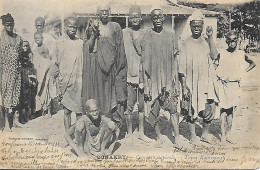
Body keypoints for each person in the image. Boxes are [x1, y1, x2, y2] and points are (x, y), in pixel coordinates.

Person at [139, 8, 181, 148]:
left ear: (164, 18)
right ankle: (159, 137)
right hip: (153, 81)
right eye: (154, 17)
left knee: (173, 109)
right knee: (152, 111)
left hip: (168, 80)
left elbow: (175, 60)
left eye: (160, 17)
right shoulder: (146, 37)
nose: (157, 19)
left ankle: (177, 138)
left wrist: (175, 81)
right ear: (152, 19)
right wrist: (145, 86)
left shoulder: (171, 36)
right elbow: (143, 64)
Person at [178, 10, 219, 144]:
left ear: (202, 26)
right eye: (194, 25)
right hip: (190, 81)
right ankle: (193, 136)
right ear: (190, 26)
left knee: (209, 107)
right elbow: (181, 68)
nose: (196, 28)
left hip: (206, 81)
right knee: (190, 108)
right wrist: (184, 86)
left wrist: (210, 37)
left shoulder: (207, 42)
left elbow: (214, 56)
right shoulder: (184, 43)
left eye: (199, 25)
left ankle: (205, 134)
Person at [82, 4, 127, 125]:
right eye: (102, 11)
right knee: (98, 93)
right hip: (97, 68)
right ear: (98, 13)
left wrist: (119, 68)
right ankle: (99, 121)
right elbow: (88, 47)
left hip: (113, 68)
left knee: (112, 95)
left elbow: (120, 48)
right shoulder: (92, 25)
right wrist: (94, 33)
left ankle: (112, 123)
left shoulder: (115, 27)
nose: (105, 13)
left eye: (107, 11)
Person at [216, 31, 256, 144]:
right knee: (223, 110)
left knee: (231, 111)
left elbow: (253, 63)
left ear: (237, 41)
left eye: (234, 40)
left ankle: (229, 134)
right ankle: (223, 135)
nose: (232, 43)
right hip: (224, 84)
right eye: (230, 40)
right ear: (226, 42)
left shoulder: (241, 53)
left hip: (234, 85)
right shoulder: (222, 53)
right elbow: (214, 63)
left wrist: (242, 72)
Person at [122, 5, 151, 145]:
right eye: (132, 17)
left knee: (141, 106)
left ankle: (141, 132)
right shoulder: (124, 33)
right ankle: (129, 132)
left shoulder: (146, 33)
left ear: (141, 18)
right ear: (129, 18)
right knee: (129, 105)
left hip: (142, 75)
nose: (135, 19)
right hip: (128, 74)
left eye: (137, 17)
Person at [54, 17, 83, 131]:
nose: (72, 29)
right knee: (66, 111)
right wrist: (58, 86)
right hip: (65, 82)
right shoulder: (59, 43)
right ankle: (68, 135)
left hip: (78, 82)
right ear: (65, 27)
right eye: (70, 26)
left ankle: (78, 135)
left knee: (79, 112)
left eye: (75, 27)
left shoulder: (80, 43)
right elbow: (56, 64)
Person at [0, 13, 23, 131]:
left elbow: (21, 55)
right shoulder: (1, 38)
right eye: (7, 25)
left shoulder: (18, 38)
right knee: (4, 97)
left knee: (15, 96)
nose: (10, 27)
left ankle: (15, 120)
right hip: (4, 72)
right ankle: (5, 124)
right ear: (4, 25)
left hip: (16, 72)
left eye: (11, 25)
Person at [33, 17, 58, 115]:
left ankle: (49, 110)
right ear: (35, 26)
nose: (39, 27)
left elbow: (53, 54)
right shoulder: (35, 38)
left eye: (41, 25)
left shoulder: (49, 38)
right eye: (37, 25)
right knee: (39, 88)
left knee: (48, 87)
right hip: (38, 69)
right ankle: (40, 108)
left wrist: (52, 66)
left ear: (44, 25)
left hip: (47, 66)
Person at [32, 31, 52, 117]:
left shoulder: (44, 48)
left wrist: (45, 71)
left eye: (39, 38)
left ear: (42, 39)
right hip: (39, 72)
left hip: (45, 72)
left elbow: (48, 61)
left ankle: (49, 112)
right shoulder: (36, 48)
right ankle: (40, 110)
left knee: (46, 91)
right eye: (35, 38)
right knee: (39, 91)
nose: (37, 40)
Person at [19, 41, 37, 123]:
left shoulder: (30, 55)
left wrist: (32, 78)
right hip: (22, 75)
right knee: (22, 97)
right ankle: (22, 117)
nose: (25, 48)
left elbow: (32, 67)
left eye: (26, 46)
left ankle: (28, 115)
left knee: (29, 96)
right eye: (23, 46)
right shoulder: (20, 55)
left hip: (28, 75)